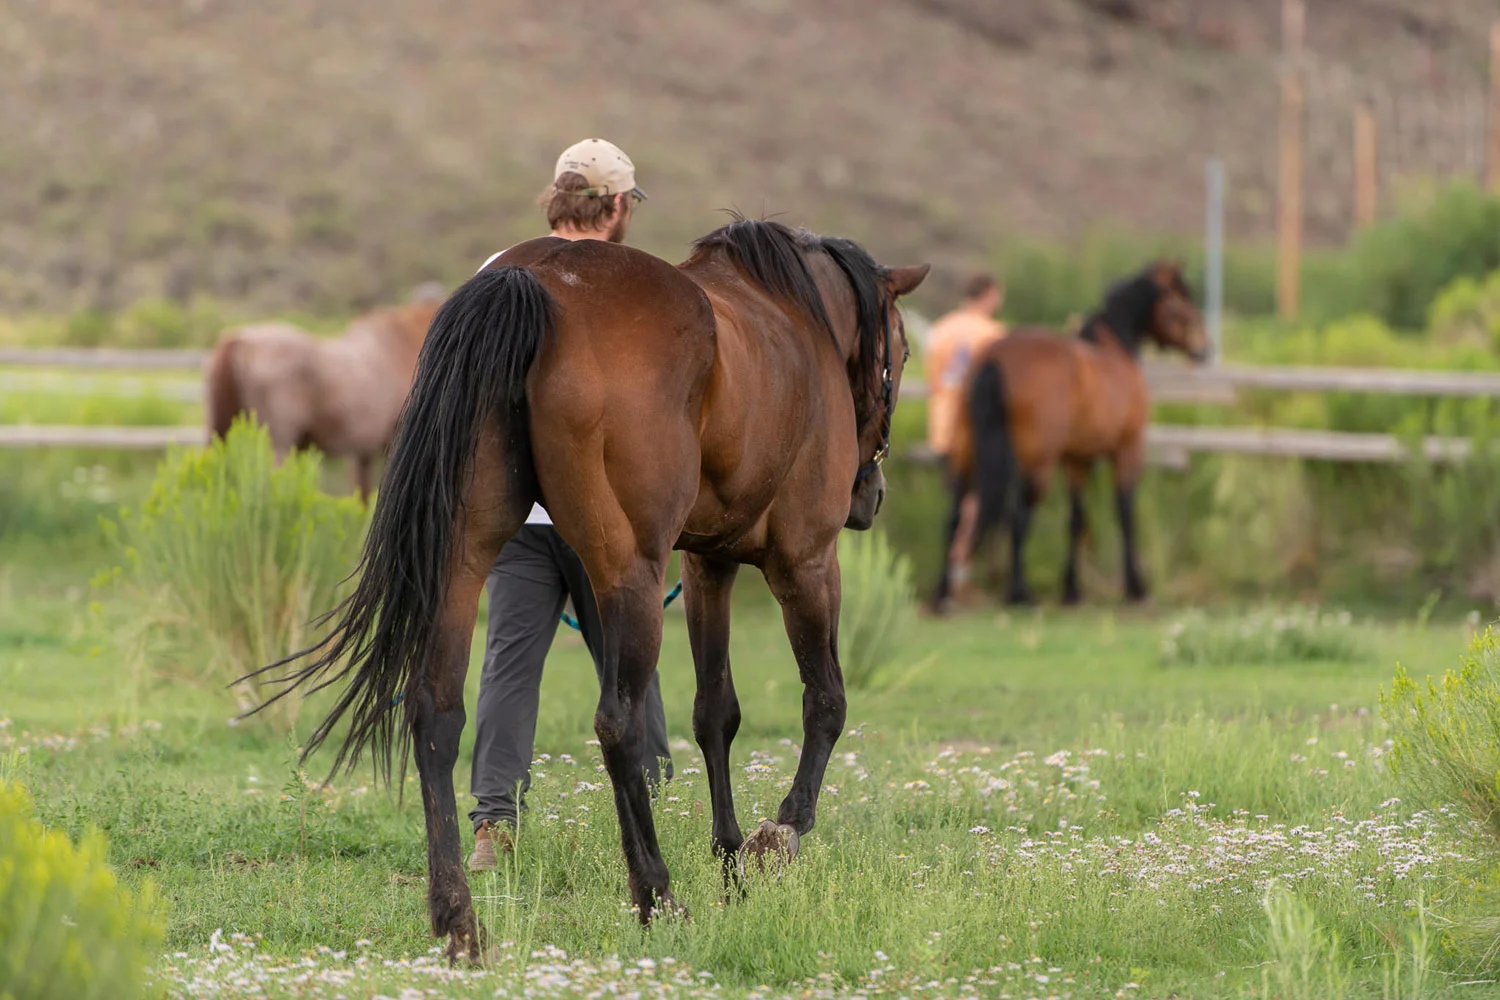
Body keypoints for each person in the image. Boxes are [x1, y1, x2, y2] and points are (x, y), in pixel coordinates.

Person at [467, 139, 672, 872]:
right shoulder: (639, 286)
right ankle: (656, 801)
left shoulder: (497, 271)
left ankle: (495, 823)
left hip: (517, 518)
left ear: (555, 197)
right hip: (610, 513)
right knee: (630, 660)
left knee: (509, 666)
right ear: (616, 207)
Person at [924, 273, 1007, 609]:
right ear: (988, 295)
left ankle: (954, 579)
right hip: (977, 429)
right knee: (973, 505)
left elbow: (934, 379)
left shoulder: (939, 331)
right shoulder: (993, 334)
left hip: (943, 426)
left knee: (957, 503)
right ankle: (959, 576)